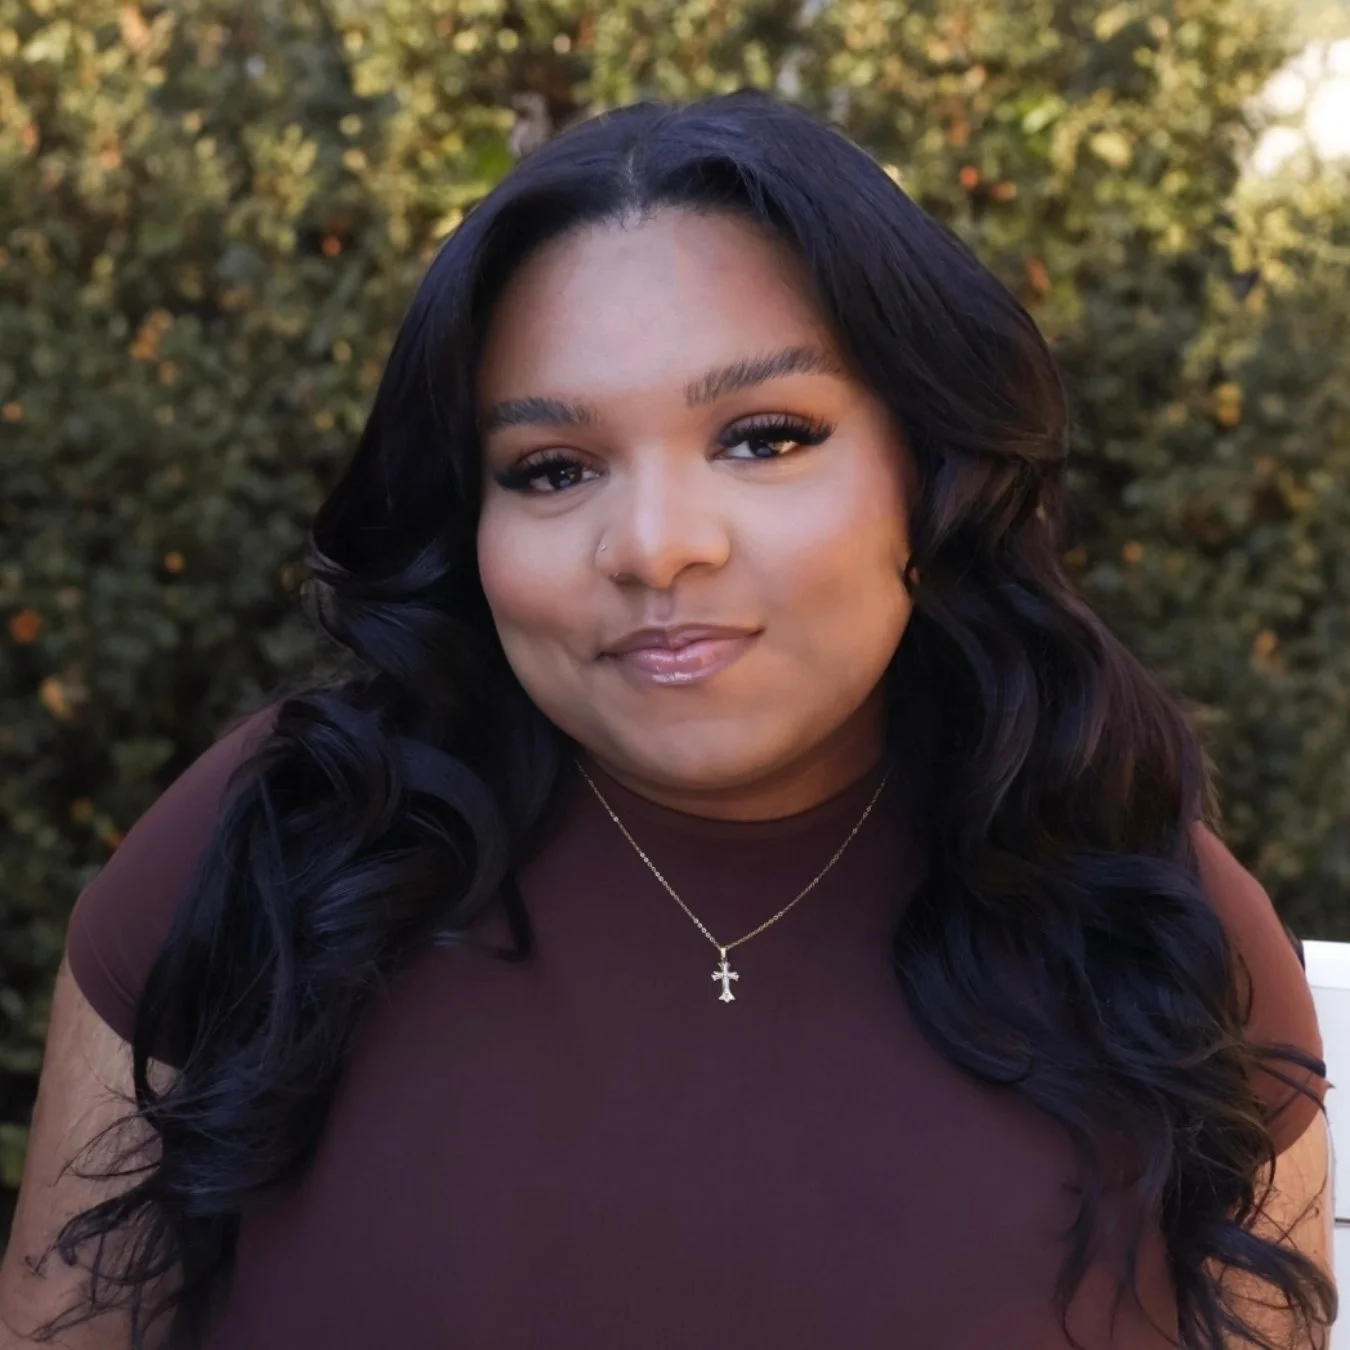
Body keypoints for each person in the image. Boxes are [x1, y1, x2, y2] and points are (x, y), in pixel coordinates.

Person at [0, 92, 1335, 1350]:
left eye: (762, 435)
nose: (653, 546)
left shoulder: (1147, 923)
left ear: (930, 472)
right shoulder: (275, 848)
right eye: (553, 467)